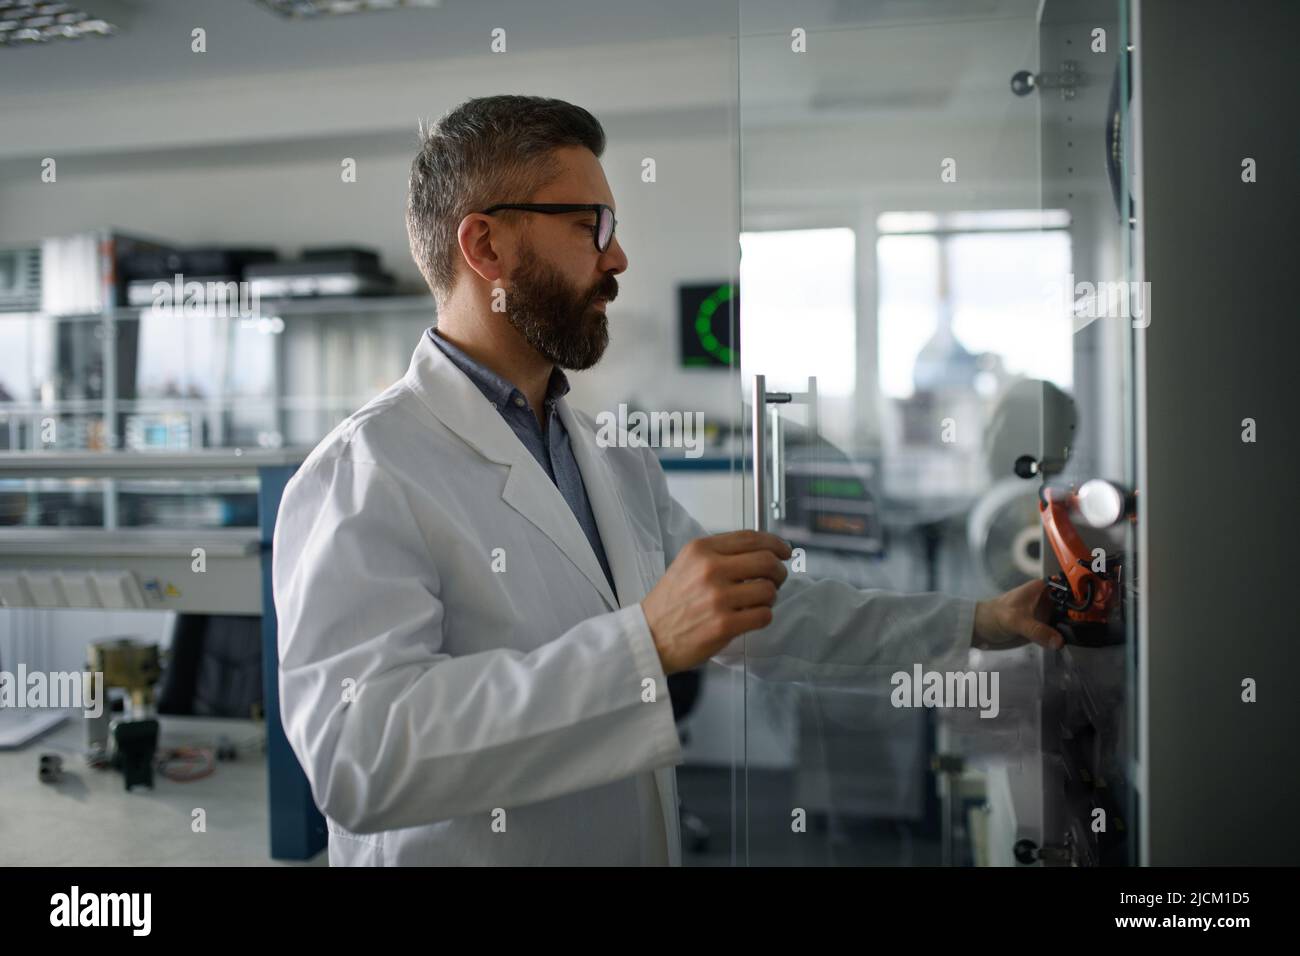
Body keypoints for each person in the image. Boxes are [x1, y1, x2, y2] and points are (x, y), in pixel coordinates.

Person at [272, 94, 1061, 866]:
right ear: (486, 248)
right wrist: (643, 644)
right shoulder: (364, 472)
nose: (617, 258)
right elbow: (359, 757)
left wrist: (980, 621)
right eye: (591, 227)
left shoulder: (606, 452)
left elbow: (751, 612)